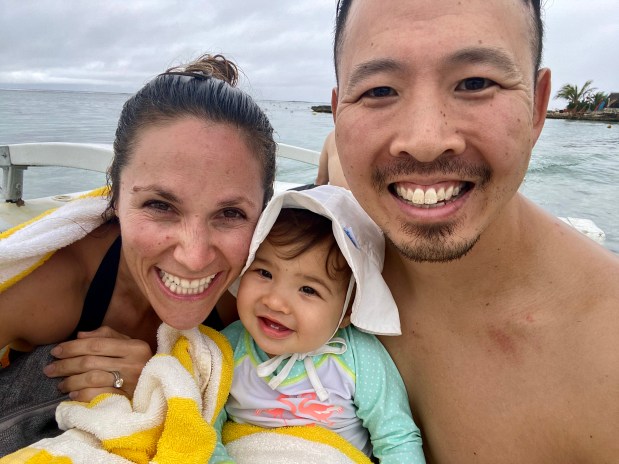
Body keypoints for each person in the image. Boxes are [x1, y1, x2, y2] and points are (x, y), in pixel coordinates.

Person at [330, 0, 619, 462]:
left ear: (538, 108)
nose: (424, 141)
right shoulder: (334, 213)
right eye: (380, 91)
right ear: (338, 114)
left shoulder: (606, 363)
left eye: (476, 83)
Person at [0, 53, 276, 454]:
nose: (194, 256)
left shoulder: (260, 299)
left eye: (231, 213)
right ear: (114, 196)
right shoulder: (54, 286)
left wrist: (156, 380)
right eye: (160, 206)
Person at [214, 185, 424, 463]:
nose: (276, 302)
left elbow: (396, 438)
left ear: (348, 311)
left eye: (308, 290)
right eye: (264, 272)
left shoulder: (360, 358)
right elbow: (205, 428)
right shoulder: (226, 348)